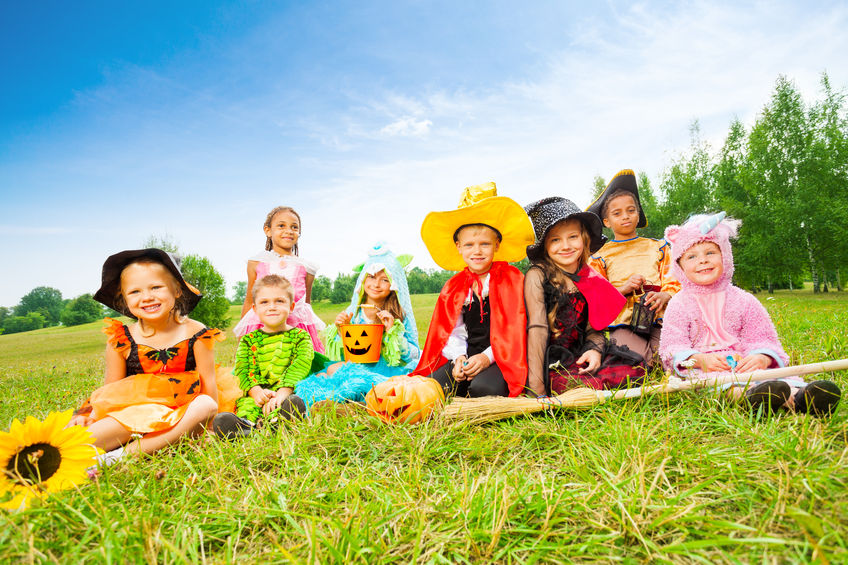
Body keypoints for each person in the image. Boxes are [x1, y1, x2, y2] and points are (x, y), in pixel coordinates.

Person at [659, 212, 841, 415]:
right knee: (723, 387)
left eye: (710, 252)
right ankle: (752, 398)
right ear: (679, 266)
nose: (703, 261)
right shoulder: (679, 303)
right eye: (692, 256)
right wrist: (700, 360)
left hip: (745, 363)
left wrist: (761, 358)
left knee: (773, 378)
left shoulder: (743, 299)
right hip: (706, 370)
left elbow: (763, 337)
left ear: (725, 256)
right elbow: (672, 348)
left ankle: (804, 396)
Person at [69, 249, 224, 465]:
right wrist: (90, 414)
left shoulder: (196, 333)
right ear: (124, 298)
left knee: (206, 404)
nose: (147, 297)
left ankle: (117, 457)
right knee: (75, 443)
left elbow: (209, 385)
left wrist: (208, 426)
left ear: (177, 290)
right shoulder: (121, 339)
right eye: (135, 292)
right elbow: (111, 391)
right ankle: (145, 441)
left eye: (156, 287)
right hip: (134, 415)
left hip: (184, 412)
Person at [411, 182, 535, 398]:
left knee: (483, 389)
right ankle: (461, 375)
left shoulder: (512, 279)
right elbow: (452, 330)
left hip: (501, 356)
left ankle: (483, 383)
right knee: (432, 388)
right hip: (467, 355)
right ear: (458, 247)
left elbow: (515, 330)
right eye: (469, 245)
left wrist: (487, 358)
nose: (477, 251)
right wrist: (459, 357)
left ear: (497, 245)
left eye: (484, 244)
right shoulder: (455, 286)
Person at [524, 197, 643, 396]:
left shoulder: (590, 277)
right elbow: (537, 330)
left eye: (573, 237)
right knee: (571, 386)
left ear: (584, 238)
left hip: (579, 354)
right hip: (548, 359)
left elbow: (594, 328)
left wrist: (594, 351)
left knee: (634, 370)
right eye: (555, 239)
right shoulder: (537, 276)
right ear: (545, 245)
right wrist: (537, 390)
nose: (566, 246)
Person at [293, 243, 420, 410]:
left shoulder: (397, 314)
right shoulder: (354, 312)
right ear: (363, 279)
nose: (376, 284)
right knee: (330, 369)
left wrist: (392, 333)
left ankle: (352, 404)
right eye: (372, 277)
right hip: (356, 365)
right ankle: (335, 403)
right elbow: (346, 352)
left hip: (384, 369)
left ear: (393, 284)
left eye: (384, 280)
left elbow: (413, 355)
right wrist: (342, 330)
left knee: (363, 381)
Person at [586, 169, 680, 367]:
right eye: (617, 213)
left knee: (668, 356)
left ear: (638, 214)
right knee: (640, 360)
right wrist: (622, 289)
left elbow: (674, 279)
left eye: (631, 210)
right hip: (621, 323)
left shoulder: (659, 247)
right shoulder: (599, 257)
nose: (625, 216)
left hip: (658, 317)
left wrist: (666, 296)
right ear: (606, 221)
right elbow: (596, 296)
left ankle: (667, 365)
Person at [213, 275, 314, 437]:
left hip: (288, 391)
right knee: (246, 405)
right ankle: (245, 427)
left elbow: (300, 366)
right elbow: (243, 369)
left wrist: (281, 394)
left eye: (279, 301)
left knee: (293, 403)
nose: (272, 307)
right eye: (264, 302)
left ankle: (280, 423)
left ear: (291, 306)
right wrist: (256, 391)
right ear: (255, 308)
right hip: (257, 393)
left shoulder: (300, 337)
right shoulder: (249, 340)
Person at [233, 205, 325, 353]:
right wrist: (243, 337)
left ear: (299, 232)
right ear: (268, 230)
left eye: (294, 227)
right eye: (281, 225)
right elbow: (250, 300)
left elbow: (306, 304)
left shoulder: (306, 267)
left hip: (296, 328)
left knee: (297, 368)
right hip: (263, 326)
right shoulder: (256, 262)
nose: (288, 231)